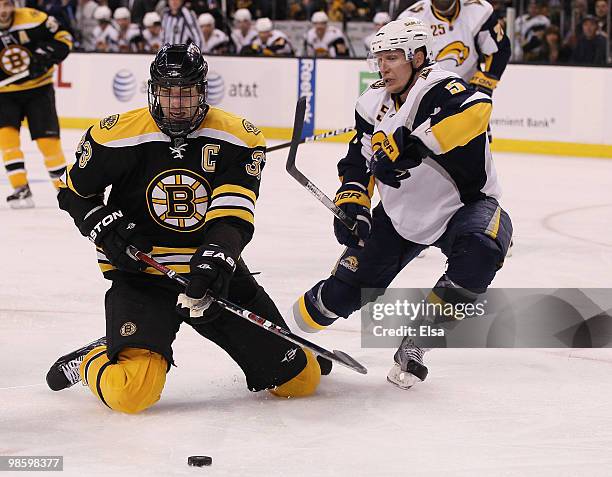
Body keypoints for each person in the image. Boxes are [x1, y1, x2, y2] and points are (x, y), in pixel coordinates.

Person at [45, 43, 321, 414]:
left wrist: (214, 263)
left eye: (186, 93)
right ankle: (93, 359)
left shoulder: (239, 137)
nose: (176, 104)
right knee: (131, 395)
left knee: (300, 383)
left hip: (210, 271)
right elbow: (72, 192)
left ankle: (289, 356)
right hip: (142, 273)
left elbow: (232, 214)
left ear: (202, 91)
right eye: (167, 93)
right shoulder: (113, 136)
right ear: (153, 91)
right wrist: (104, 225)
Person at [291, 18, 512, 390]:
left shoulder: (441, 86)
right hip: (398, 216)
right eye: (379, 58)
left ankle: (418, 341)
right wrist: (354, 201)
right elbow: (357, 160)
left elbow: (477, 109)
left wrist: (415, 145)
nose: (384, 66)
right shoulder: (370, 102)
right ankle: (286, 336)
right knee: (338, 296)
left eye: (393, 57)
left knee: (483, 248)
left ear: (419, 56)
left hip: (463, 207)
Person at [0, 0, 73, 208]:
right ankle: (20, 188)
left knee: (48, 142)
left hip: (39, 89)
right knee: (7, 140)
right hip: (4, 94)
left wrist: (45, 55)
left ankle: (64, 189)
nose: (4, 11)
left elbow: (64, 37)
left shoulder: (34, 19)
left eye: (7, 4)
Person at [398, 0, 511, 98]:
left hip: (467, 92)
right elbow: (400, 62)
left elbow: (499, 49)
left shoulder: (478, 10)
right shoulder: (410, 20)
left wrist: (485, 83)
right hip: (427, 96)